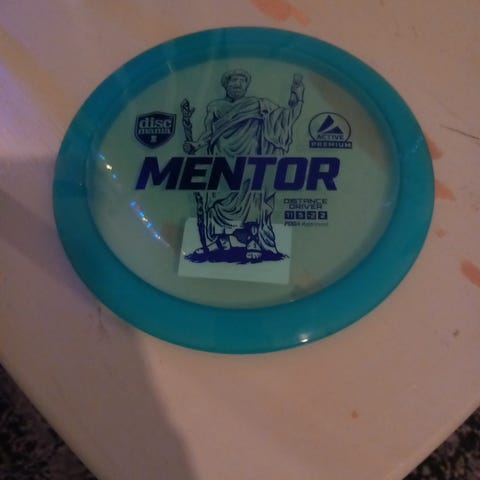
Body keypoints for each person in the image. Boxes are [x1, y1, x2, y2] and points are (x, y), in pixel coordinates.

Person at [183, 69, 304, 261]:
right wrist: (196, 144)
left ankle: (253, 241)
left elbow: (284, 118)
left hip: (249, 160)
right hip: (222, 158)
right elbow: (209, 132)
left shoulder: (258, 104)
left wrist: (297, 96)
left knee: (252, 200)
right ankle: (221, 240)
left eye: (242, 81)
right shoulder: (215, 106)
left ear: (246, 85)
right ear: (226, 85)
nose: (237, 84)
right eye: (233, 81)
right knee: (218, 200)